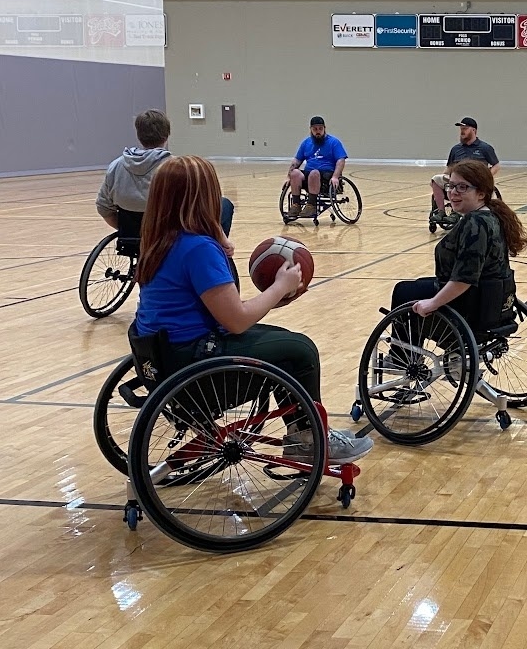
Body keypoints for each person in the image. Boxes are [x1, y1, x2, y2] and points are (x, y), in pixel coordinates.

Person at [134, 155, 373, 463]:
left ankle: (304, 434)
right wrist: (279, 287)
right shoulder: (198, 250)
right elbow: (237, 320)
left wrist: (219, 240)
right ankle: (309, 440)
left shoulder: (157, 240)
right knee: (299, 350)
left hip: (162, 356)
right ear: (204, 196)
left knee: (281, 338)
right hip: (196, 366)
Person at [396, 159, 527, 320]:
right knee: (419, 285)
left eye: (462, 187)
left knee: (403, 291)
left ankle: (401, 346)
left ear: (481, 193)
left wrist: (433, 303)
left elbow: (464, 279)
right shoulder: (492, 215)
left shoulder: (475, 224)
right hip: (492, 298)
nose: (452, 192)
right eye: (451, 185)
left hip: (471, 304)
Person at [96, 108, 234, 241]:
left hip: (132, 233)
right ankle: (214, 251)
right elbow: (201, 208)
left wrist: (127, 229)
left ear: (139, 135)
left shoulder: (116, 166)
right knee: (224, 204)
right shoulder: (177, 168)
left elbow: (104, 207)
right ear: (167, 135)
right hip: (172, 233)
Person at [430, 117, 499, 217]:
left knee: (461, 185)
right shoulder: (456, 149)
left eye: (465, 129)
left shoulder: (485, 148)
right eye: (461, 129)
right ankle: (441, 212)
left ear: (474, 130)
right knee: (436, 179)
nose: (462, 132)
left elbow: (496, 166)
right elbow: (449, 167)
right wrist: (445, 177)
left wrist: (485, 177)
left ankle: (457, 212)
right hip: (456, 178)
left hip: (474, 179)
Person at [287, 115, 348, 218]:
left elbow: (340, 160)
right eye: (315, 129)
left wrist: (335, 177)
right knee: (295, 173)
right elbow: (297, 161)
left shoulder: (334, 142)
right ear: (311, 129)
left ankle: (312, 205)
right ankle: (296, 205)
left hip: (326, 175)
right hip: (309, 173)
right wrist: (288, 177)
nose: (318, 131)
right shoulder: (306, 143)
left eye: (320, 129)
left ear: (324, 128)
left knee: (314, 173)